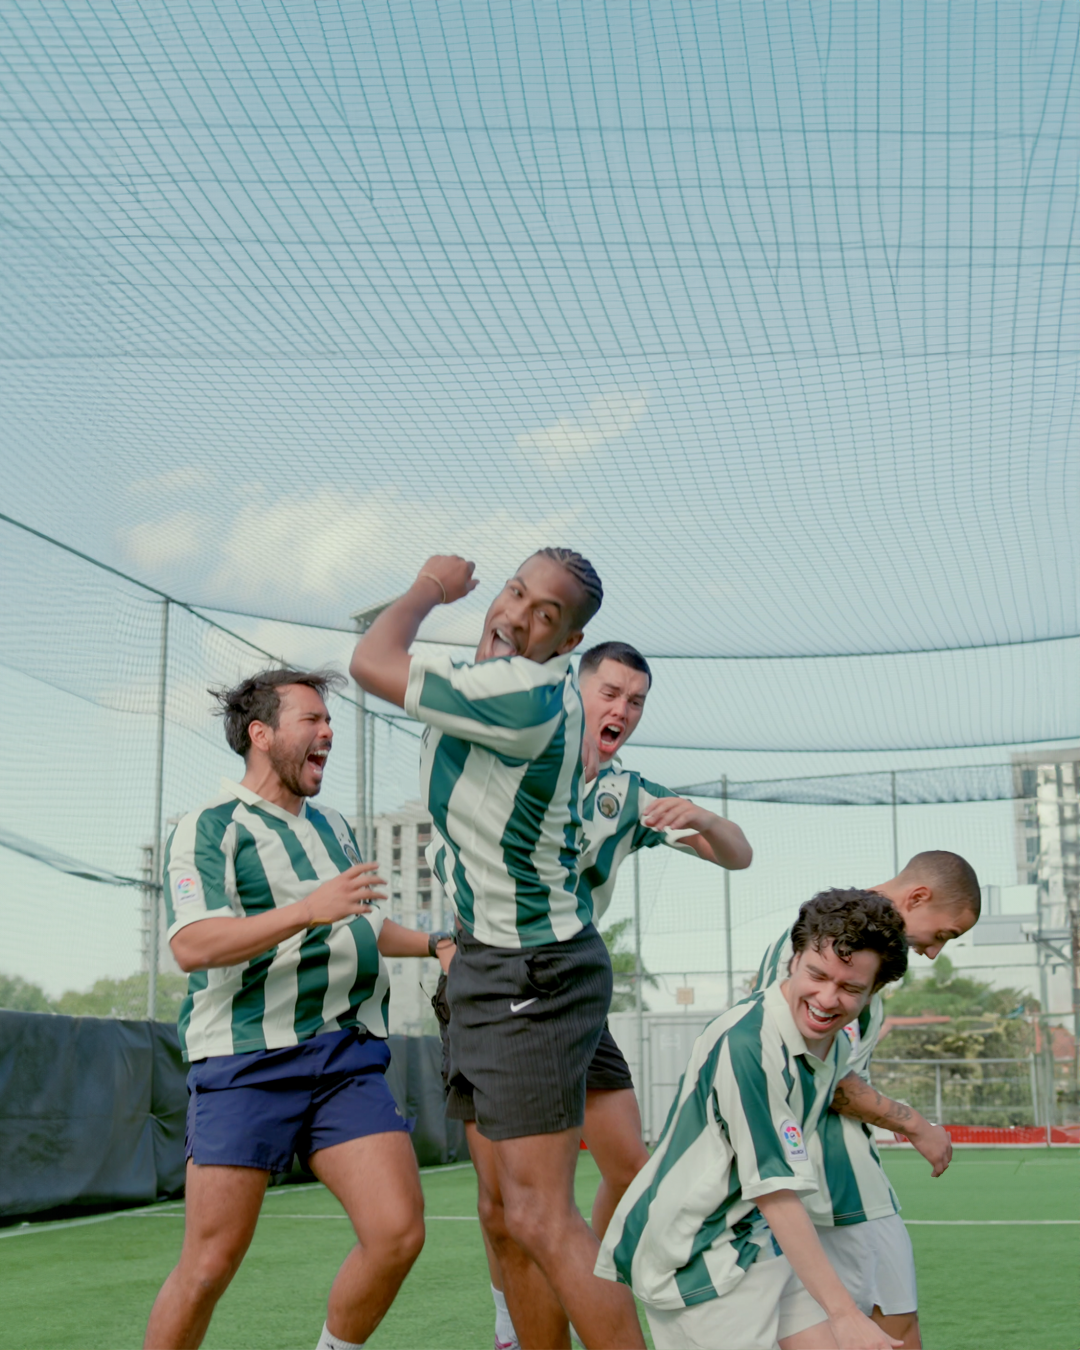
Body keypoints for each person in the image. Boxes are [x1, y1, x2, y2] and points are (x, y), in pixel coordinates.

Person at [350, 551, 645, 1350]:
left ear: (567, 643)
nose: (516, 614)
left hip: (534, 970)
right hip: (486, 962)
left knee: (541, 1214)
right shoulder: (490, 682)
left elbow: (371, 661)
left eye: (545, 613)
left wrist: (430, 588)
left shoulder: (525, 695)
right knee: (502, 1214)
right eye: (515, 592)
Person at [144, 668, 454, 1350]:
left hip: (343, 1057)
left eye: (329, 721)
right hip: (245, 1062)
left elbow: (362, 924)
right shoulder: (208, 827)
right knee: (208, 1267)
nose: (328, 732)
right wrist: (308, 910)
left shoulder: (334, 827)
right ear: (261, 734)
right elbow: (193, 945)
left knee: (397, 1232)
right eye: (312, 720)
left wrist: (435, 943)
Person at [462, 640, 752, 1349]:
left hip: (565, 986)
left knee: (618, 1174)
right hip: (492, 978)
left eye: (636, 701)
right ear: (575, 692)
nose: (623, 708)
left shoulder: (629, 794)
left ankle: (587, 1279)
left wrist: (706, 818)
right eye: (611, 692)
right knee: (505, 1207)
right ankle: (513, 1320)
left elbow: (738, 855)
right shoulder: (514, 763)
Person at [596, 888, 911, 1350]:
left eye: (849, 988)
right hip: (695, 1252)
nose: (827, 999)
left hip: (756, 1238)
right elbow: (775, 1192)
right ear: (793, 959)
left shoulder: (834, 1042)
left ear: (874, 992)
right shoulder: (747, 1044)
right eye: (817, 974)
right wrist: (844, 1313)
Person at [753, 851, 981, 1350]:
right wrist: (917, 1125)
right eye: (943, 933)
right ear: (917, 897)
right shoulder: (838, 949)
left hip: (802, 1179)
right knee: (893, 1333)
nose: (934, 951)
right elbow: (824, 1078)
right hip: (836, 1185)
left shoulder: (821, 938)